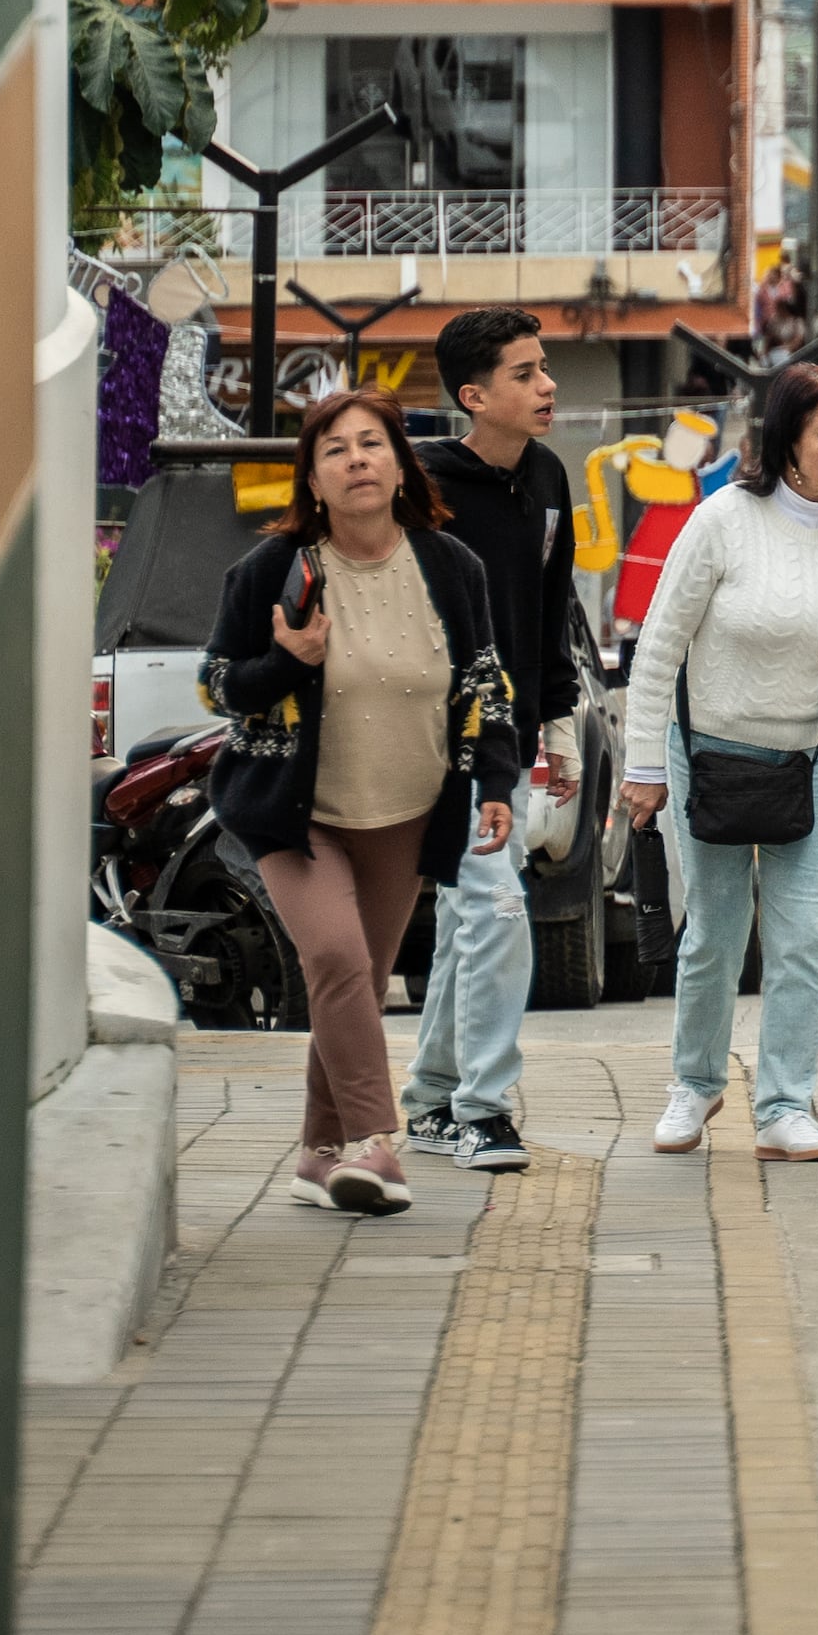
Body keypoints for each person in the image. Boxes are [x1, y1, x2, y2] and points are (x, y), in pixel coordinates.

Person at [200, 391, 521, 1217]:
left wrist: (494, 783)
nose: (356, 460)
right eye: (335, 449)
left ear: (399, 463)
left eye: (371, 444)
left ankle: (317, 1157)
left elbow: (485, 681)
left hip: (408, 811)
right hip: (292, 813)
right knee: (339, 962)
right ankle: (379, 1142)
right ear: (312, 479)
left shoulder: (451, 567)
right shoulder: (274, 570)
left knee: (354, 980)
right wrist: (283, 661)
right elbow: (216, 685)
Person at [622, 362, 818, 1165]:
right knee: (713, 931)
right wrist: (642, 764)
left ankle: (783, 1104)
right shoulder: (720, 520)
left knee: (803, 936)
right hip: (706, 750)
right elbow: (658, 646)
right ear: (788, 440)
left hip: (811, 755)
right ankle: (695, 1083)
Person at [400, 310, 581, 1177]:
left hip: (503, 743)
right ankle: (482, 1108)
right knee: (497, 908)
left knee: (473, 914)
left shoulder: (547, 477)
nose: (547, 385)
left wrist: (560, 720)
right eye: (525, 373)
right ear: (474, 397)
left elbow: (551, 609)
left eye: (544, 368)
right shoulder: (422, 490)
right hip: (426, 738)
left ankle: (433, 1100)